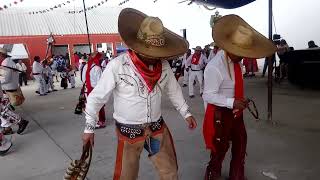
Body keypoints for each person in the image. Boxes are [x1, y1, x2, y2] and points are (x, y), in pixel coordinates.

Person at [82, 8, 197, 180]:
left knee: (170, 173)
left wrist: (186, 113)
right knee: (125, 177)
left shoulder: (164, 66)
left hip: (157, 129)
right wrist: (89, 127)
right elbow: (96, 98)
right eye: (150, 52)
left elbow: (174, 91)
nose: (154, 57)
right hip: (128, 133)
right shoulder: (118, 66)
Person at [202, 14, 277, 180]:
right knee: (220, 149)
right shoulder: (215, 67)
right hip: (220, 114)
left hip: (236, 111)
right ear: (229, 48)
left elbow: (234, 86)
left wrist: (239, 100)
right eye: (240, 52)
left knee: (240, 144)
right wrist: (231, 101)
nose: (244, 56)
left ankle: (236, 176)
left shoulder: (237, 62)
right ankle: (212, 174)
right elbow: (208, 95)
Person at [81, 52, 106, 129]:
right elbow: (100, 82)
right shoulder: (97, 68)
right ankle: (97, 123)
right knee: (96, 106)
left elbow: (82, 79)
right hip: (95, 90)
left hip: (86, 89)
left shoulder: (85, 66)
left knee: (89, 106)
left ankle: (90, 121)